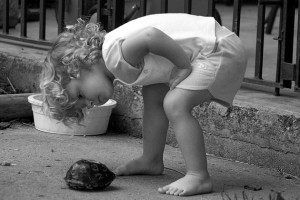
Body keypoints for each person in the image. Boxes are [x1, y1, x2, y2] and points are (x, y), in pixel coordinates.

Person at [40, 13, 247, 196]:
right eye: (84, 107)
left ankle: (198, 175)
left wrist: (182, 66)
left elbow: (151, 36)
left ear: (80, 64)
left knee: (175, 104)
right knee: (153, 92)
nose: (90, 103)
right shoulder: (114, 61)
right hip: (212, 48)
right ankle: (151, 160)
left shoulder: (115, 55)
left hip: (218, 50)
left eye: (81, 95)